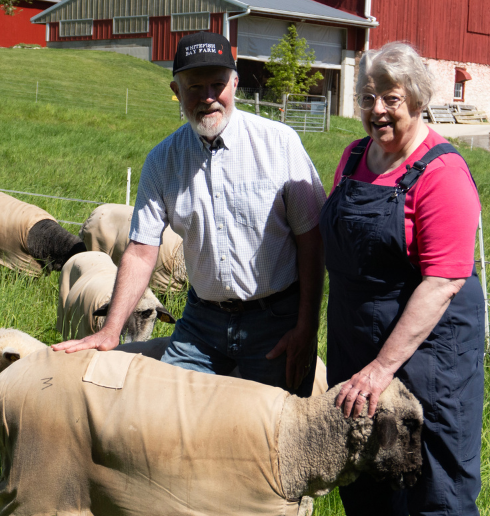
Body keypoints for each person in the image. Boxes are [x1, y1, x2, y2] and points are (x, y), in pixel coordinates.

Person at [53, 31, 325, 396]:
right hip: (203, 324)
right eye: (194, 87)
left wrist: (306, 326)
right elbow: (140, 251)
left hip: (274, 319)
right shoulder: (162, 161)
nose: (208, 98)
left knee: (274, 436)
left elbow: (312, 240)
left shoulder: (279, 144)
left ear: (235, 82)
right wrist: (110, 330)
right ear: (176, 91)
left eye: (218, 84)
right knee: (163, 415)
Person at [321, 41, 487, 516]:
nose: (379, 110)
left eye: (392, 98)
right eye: (369, 97)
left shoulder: (442, 173)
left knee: (438, 497)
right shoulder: (350, 159)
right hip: (354, 349)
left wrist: (382, 368)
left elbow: (442, 281)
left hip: (428, 361)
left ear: (416, 100)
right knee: (366, 486)